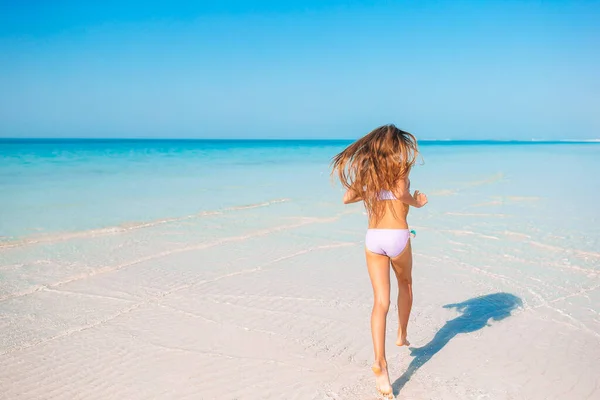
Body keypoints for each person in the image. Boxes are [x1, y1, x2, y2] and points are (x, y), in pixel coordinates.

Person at [331, 124, 428, 398]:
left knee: (380, 303)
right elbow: (401, 195)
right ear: (396, 146)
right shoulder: (402, 170)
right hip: (397, 236)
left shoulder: (370, 175)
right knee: (406, 284)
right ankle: (402, 334)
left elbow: (347, 198)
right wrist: (419, 202)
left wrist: (366, 187)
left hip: (373, 239)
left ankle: (380, 363)